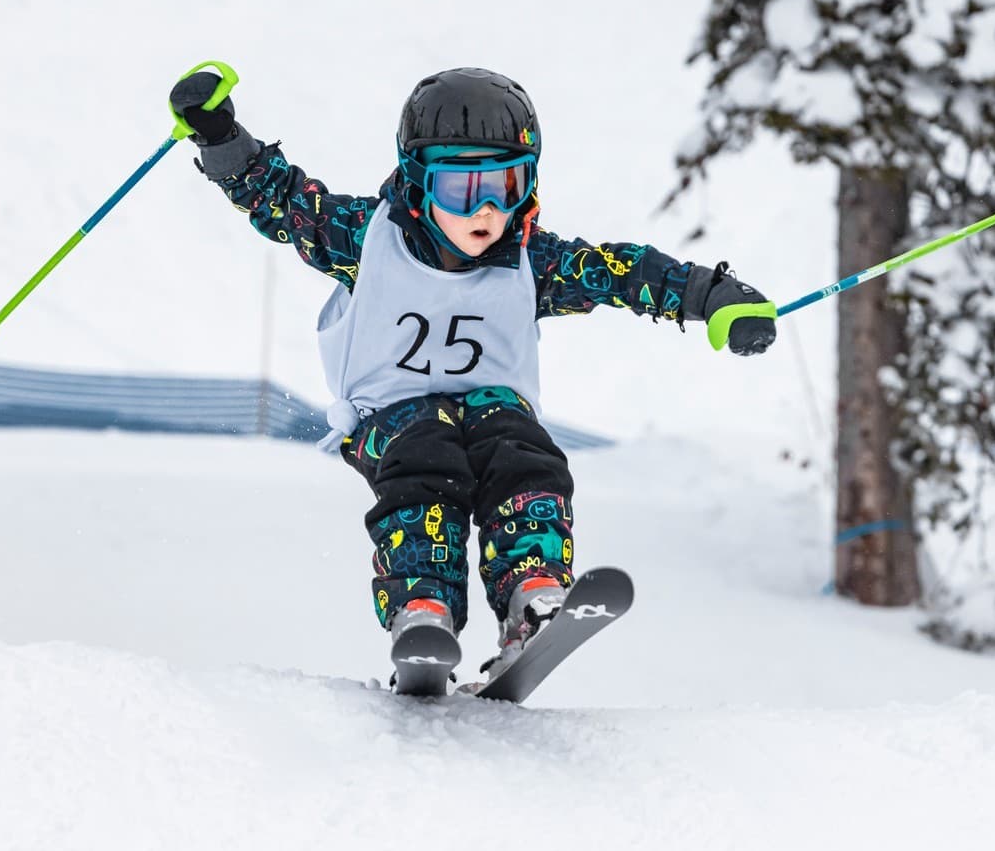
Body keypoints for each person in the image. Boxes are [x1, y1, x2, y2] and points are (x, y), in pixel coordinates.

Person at [169, 66, 777, 683]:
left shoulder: (528, 258)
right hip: (389, 420)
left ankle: (532, 596)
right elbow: (283, 201)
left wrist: (712, 295)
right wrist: (220, 136)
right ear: (416, 183)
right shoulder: (367, 240)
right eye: (461, 191)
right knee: (428, 450)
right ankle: (422, 605)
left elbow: (621, 270)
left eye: (506, 186)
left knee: (521, 451)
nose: (487, 211)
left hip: (494, 412)